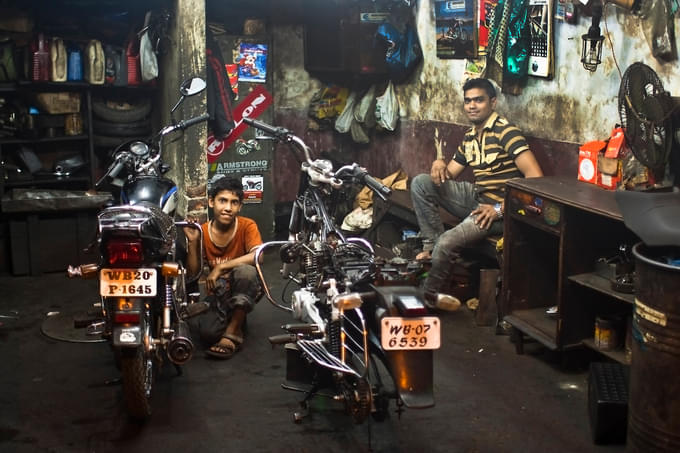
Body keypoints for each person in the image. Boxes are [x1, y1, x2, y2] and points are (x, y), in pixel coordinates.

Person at [410, 78, 543, 312]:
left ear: (492, 103)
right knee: (421, 183)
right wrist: (438, 164)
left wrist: (499, 209)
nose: (472, 105)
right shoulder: (470, 137)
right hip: (477, 197)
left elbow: (536, 178)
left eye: (478, 100)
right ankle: (431, 245)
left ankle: (427, 298)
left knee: (448, 241)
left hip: (500, 211)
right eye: (468, 101)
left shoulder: (506, 132)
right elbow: (447, 175)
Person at [184, 176, 263, 359]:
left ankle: (233, 329)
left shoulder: (247, 226)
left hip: (245, 286)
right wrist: (193, 242)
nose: (228, 208)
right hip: (218, 291)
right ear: (211, 202)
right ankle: (236, 316)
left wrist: (220, 268)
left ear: (240, 206)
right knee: (208, 335)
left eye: (234, 202)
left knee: (246, 271)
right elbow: (193, 273)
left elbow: (258, 256)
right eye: (223, 201)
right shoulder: (202, 231)